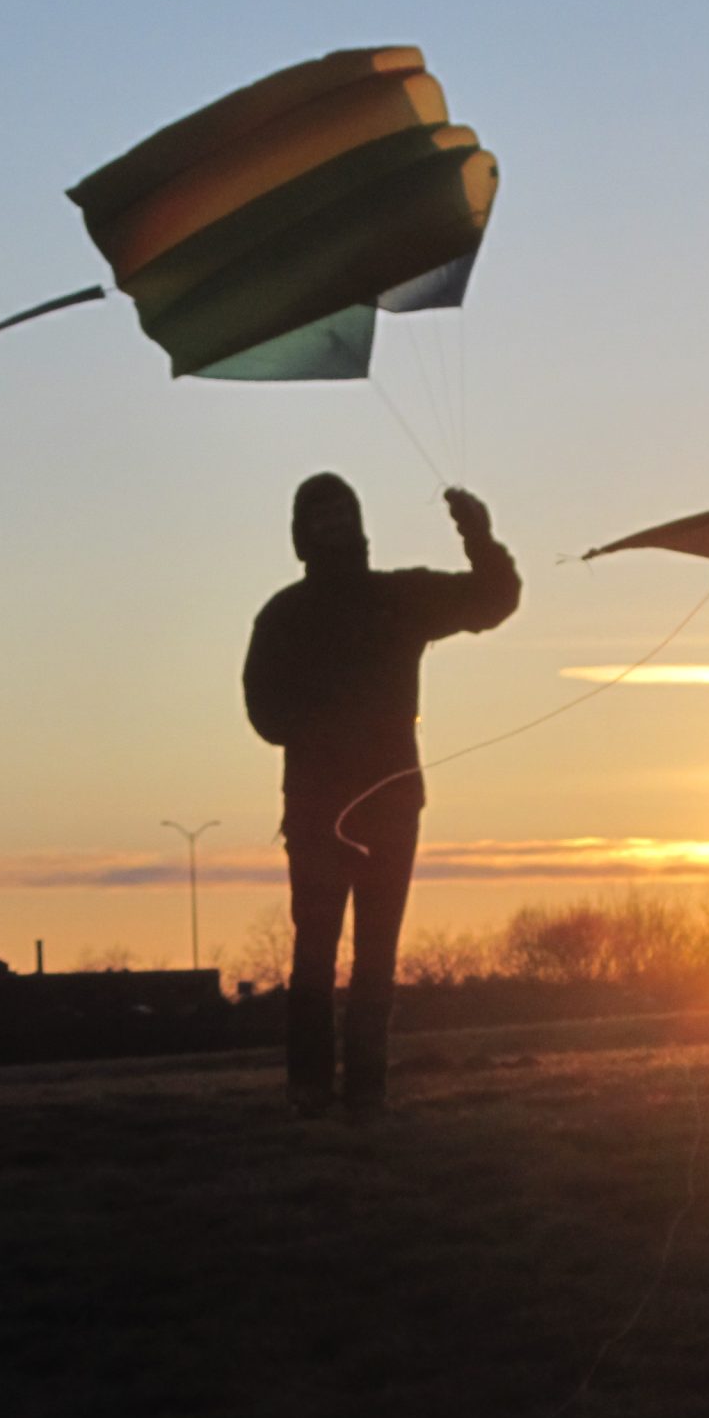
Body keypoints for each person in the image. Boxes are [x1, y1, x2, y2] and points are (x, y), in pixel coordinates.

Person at [243, 474, 521, 1117]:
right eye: (324, 518)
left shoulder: (385, 599)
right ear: (304, 534)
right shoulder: (307, 611)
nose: (335, 528)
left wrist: (478, 534)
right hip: (332, 806)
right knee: (324, 953)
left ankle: (349, 1089)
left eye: (341, 515)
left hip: (372, 803)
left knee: (360, 955)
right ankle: (327, 1090)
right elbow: (264, 713)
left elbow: (493, 599)